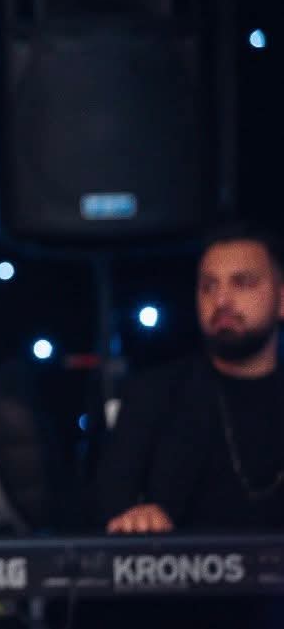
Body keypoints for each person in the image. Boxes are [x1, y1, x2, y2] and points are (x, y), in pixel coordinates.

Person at [98, 223, 284, 534]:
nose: (221, 300)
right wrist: (135, 517)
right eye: (208, 286)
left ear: (281, 299)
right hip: (176, 563)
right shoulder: (154, 394)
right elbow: (106, 502)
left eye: (242, 283)